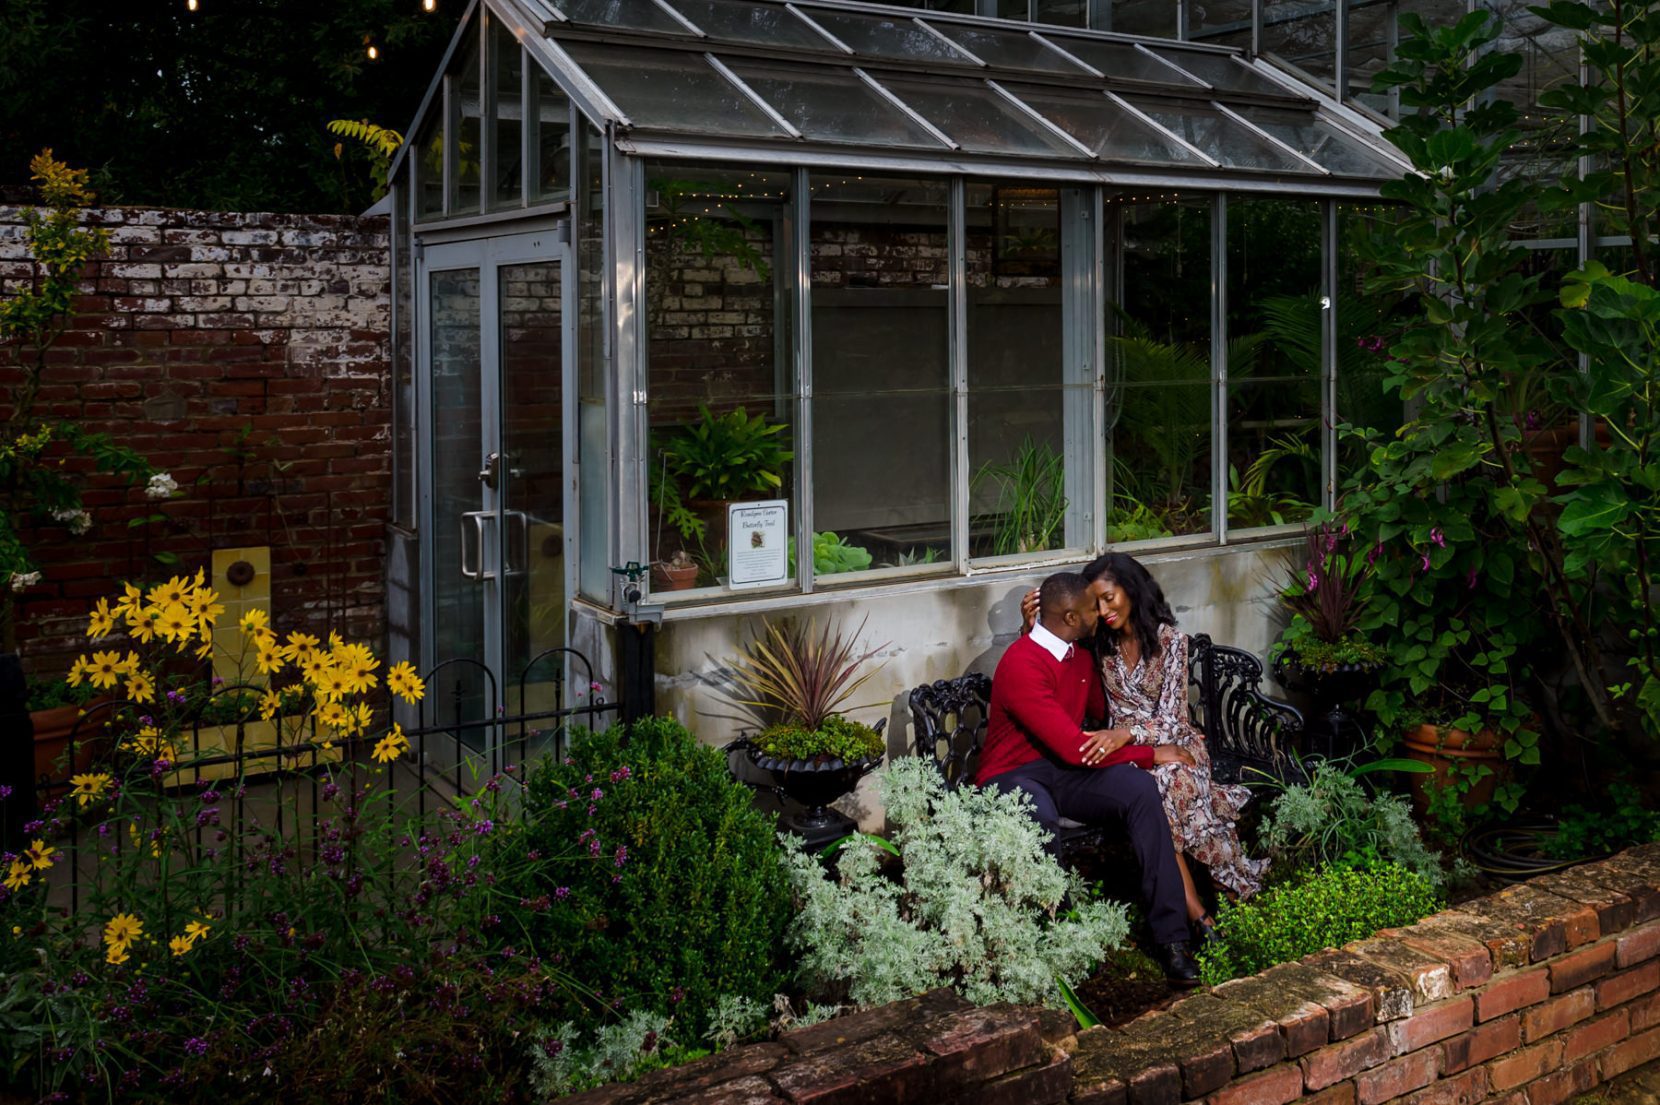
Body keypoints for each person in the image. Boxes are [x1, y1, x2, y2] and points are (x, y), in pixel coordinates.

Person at [1021, 553, 1269, 945]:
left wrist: (1127, 733)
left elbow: (1173, 719)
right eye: (1095, 603)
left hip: (1175, 745)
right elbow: (1051, 667)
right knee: (1156, 789)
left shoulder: (1170, 641)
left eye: (1109, 598)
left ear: (1131, 590)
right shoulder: (1097, 645)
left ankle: (1201, 912)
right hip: (1125, 757)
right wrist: (1032, 628)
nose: (1102, 611)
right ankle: (1200, 917)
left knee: (1169, 781)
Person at [979, 571, 1203, 986]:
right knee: (1037, 812)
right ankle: (1062, 941)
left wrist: (1140, 739)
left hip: (1060, 770)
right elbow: (1075, 747)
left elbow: (1100, 716)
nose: (1099, 613)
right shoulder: (1021, 663)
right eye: (1090, 608)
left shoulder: (1078, 656)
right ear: (1069, 616)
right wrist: (1150, 753)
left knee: (1139, 789)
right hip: (1010, 775)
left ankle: (1173, 940)